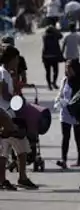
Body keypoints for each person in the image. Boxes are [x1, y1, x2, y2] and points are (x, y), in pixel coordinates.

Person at [0, 45, 38, 190]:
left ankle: (18, 178)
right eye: (16, 58)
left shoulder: (8, 73)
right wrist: (16, 99)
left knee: (17, 148)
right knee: (9, 148)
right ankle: (10, 179)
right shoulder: (2, 73)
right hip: (5, 115)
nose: (17, 61)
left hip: (9, 114)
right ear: (10, 59)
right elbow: (4, 94)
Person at [54, 59, 80, 169]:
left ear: (75, 69)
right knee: (65, 137)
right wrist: (58, 100)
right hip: (65, 111)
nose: (67, 70)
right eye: (66, 68)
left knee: (78, 136)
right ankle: (64, 160)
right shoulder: (65, 80)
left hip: (76, 113)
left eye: (69, 68)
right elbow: (61, 93)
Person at [42, 25, 63, 90]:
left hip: (46, 56)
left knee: (48, 72)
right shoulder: (55, 36)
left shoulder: (44, 37)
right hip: (54, 56)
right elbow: (61, 36)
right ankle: (54, 83)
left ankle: (49, 85)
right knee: (55, 71)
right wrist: (56, 30)